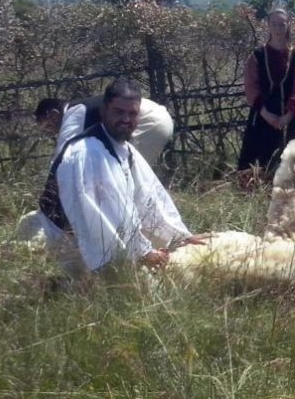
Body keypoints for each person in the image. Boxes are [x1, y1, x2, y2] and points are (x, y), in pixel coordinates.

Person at [35, 78, 205, 277]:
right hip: (67, 237)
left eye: (132, 113)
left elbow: (149, 196)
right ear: (103, 111)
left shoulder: (123, 148)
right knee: (104, 285)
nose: (126, 119)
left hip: (89, 231)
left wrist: (179, 236)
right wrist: (143, 252)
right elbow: (106, 212)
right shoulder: (89, 153)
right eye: (119, 112)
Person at [237, 8, 295, 171]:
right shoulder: (257, 56)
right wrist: (266, 114)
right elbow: (251, 86)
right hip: (262, 116)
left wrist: (288, 116)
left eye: (282, 24)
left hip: (289, 119)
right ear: (268, 25)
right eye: (274, 24)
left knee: (289, 167)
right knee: (256, 166)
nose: (278, 28)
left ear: (288, 26)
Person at [35, 93, 174, 166]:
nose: (52, 133)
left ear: (54, 115)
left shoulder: (73, 113)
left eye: (49, 127)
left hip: (148, 120)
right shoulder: (82, 110)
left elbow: (62, 157)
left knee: (129, 174)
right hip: (156, 117)